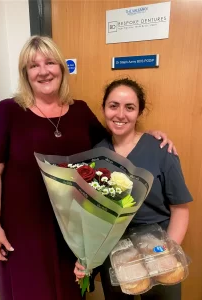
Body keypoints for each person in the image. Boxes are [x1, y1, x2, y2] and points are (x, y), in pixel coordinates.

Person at [0, 36, 176, 300]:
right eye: (33, 65)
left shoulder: (80, 111)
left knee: (70, 291)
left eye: (50, 62)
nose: (43, 71)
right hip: (24, 230)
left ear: (61, 67)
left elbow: (113, 144)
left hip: (75, 229)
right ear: (25, 73)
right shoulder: (9, 111)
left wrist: (147, 136)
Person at [75, 78, 192, 300]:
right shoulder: (97, 155)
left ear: (139, 112)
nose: (120, 114)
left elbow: (180, 209)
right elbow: (94, 216)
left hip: (159, 247)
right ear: (103, 109)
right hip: (117, 253)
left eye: (129, 107)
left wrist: (165, 253)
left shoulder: (161, 150)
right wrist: (85, 255)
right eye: (113, 106)